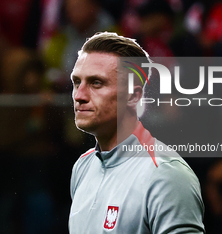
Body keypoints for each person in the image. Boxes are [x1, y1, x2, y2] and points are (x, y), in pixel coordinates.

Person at [69, 32, 205, 233]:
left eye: (96, 83)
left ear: (133, 95)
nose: (79, 95)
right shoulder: (83, 167)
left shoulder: (166, 175)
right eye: (77, 82)